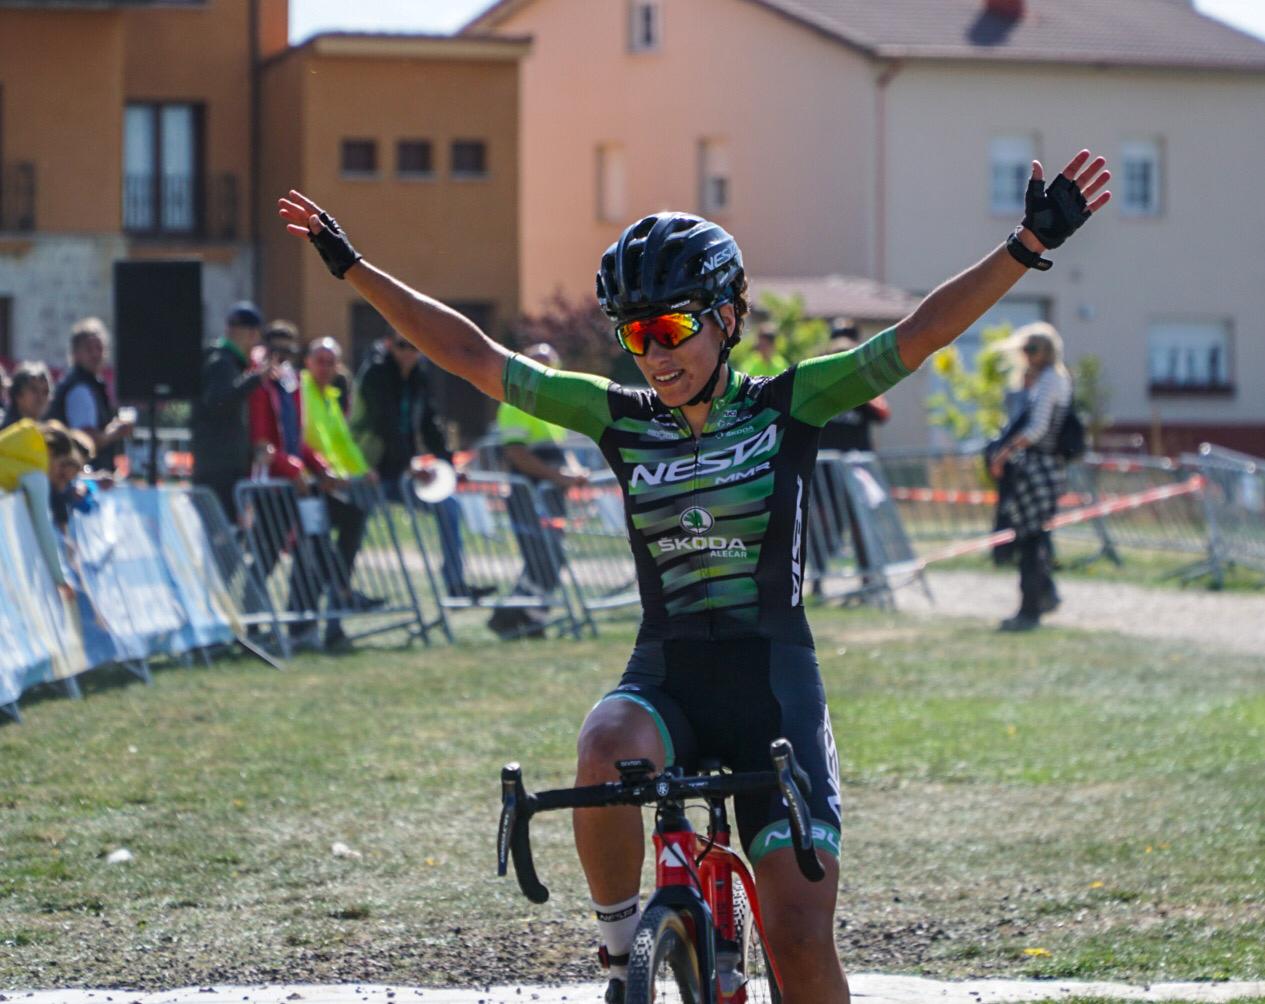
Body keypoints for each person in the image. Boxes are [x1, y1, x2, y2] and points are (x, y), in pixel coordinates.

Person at [279, 147, 1109, 1003]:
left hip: (772, 686)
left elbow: (921, 334)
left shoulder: (790, 403)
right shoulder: (617, 418)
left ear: (726, 318)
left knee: (793, 933)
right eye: (632, 334)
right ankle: (616, 956)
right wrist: (354, 269)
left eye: (669, 329)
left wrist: (1023, 247)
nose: (651, 354)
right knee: (601, 746)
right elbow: (473, 355)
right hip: (666, 675)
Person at [351, 330, 488, 599]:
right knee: (351, 532)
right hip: (369, 470)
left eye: (414, 346)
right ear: (390, 344)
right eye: (402, 346)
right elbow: (385, 423)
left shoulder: (420, 376)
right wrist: (408, 465)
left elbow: (430, 425)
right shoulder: (376, 373)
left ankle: (455, 582)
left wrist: (449, 464)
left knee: (449, 507)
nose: (408, 353)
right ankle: (341, 598)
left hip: (402, 473)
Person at [490, 342, 589, 639]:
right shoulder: (514, 403)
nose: (542, 372)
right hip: (528, 493)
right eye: (535, 365)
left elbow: (557, 448)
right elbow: (517, 453)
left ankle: (528, 619)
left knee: (548, 559)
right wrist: (557, 476)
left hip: (549, 492)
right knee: (543, 559)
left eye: (548, 366)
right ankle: (510, 616)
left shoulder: (550, 406)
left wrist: (572, 472)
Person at [987, 322, 1074, 631]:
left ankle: (1030, 609)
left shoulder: (1051, 379)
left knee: (1029, 539)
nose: (1026, 356)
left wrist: (1004, 453)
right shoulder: (1043, 381)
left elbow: (1036, 429)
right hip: (1042, 466)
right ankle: (1043, 597)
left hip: (1039, 466)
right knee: (1032, 536)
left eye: (1032, 349)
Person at [301, 336, 385, 649]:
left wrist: (363, 471)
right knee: (314, 554)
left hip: (329, 484)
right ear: (308, 363)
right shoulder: (302, 392)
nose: (324, 367)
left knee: (330, 546)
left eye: (330, 361)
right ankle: (340, 593)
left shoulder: (331, 398)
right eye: (319, 360)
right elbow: (303, 438)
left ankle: (334, 606)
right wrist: (323, 470)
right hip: (310, 484)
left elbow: (343, 443)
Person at [192, 302, 267, 523]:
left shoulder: (230, 362)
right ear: (253, 334)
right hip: (219, 468)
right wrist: (253, 380)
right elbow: (218, 403)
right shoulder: (221, 363)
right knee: (221, 535)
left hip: (225, 465)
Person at [47, 317, 133, 473]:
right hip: (82, 477)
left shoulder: (90, 384)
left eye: (99, 348)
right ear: (75, 353)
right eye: (88, 349)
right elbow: (86, 441)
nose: (95, 354)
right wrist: (116, 431)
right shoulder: (80, 389)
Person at [817, 320, 892, 452]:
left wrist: (859, 386)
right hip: (824, 460)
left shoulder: (865, 379)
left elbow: (882, 414)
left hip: (855, 459)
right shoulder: (820, 377)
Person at [0, 362, 52, 430]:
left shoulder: (44, 431)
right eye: (34, 390)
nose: (40, 398)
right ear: (18, 395)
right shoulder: (7, 431)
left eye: (45, 392)